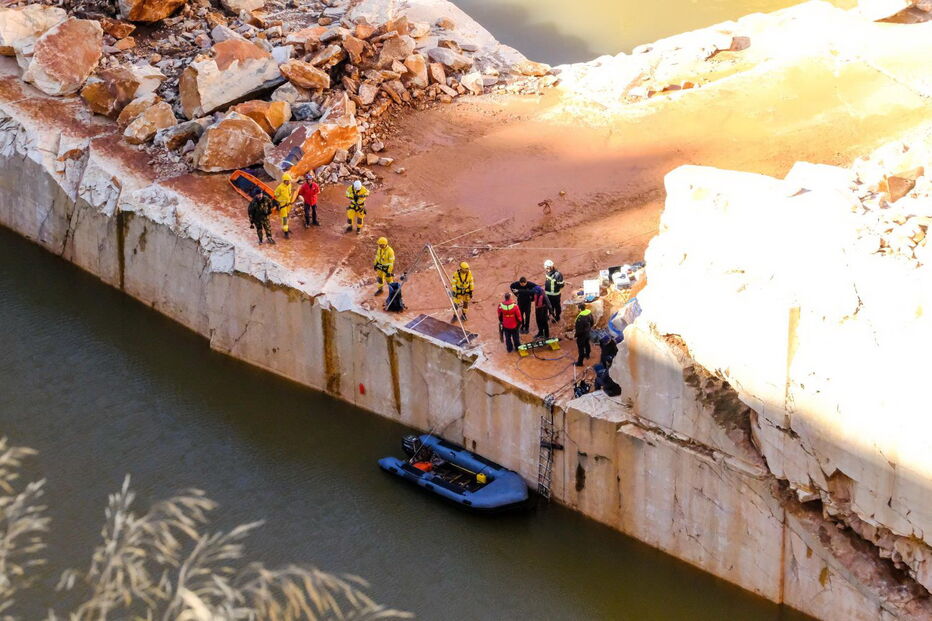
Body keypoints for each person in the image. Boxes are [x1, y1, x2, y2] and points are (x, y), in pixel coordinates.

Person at [273, 173, 297, 239]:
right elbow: (275, 195)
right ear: (285, 180)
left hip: (288, 205)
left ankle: (286, 228)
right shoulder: (280, 187)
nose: (289, 182)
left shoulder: (289, 185)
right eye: (288, 180)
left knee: (287, 217)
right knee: (284, 219)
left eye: (290, 180)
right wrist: (279, 202)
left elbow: (289, 193)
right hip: (283, 205)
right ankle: (286, 232)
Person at [574, 302, 593, 367]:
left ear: (579, 309)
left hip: (582, 335)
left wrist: (576, 335)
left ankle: (580, 362)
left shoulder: (580, 318)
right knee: (587, 343)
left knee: (581, 348)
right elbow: (592, 322)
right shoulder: (589, 313)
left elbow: (579, 329)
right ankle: (587, 354)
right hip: (588, 332)